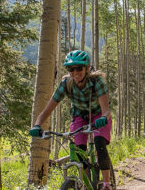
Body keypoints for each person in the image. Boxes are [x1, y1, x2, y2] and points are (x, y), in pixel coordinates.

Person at [29, 50, 113, 190]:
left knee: (99, 143)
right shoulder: (66, 84)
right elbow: (47, 110)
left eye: (79, 68)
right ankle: (85, 185)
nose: (75, 72)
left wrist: (104, 118)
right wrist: (37, 125)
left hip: (98, 115)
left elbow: (106, 110)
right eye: (71, 69)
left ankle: (106, 184)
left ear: (86, 68)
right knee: (79, 151)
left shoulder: (96, 81)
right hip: (80, 116)